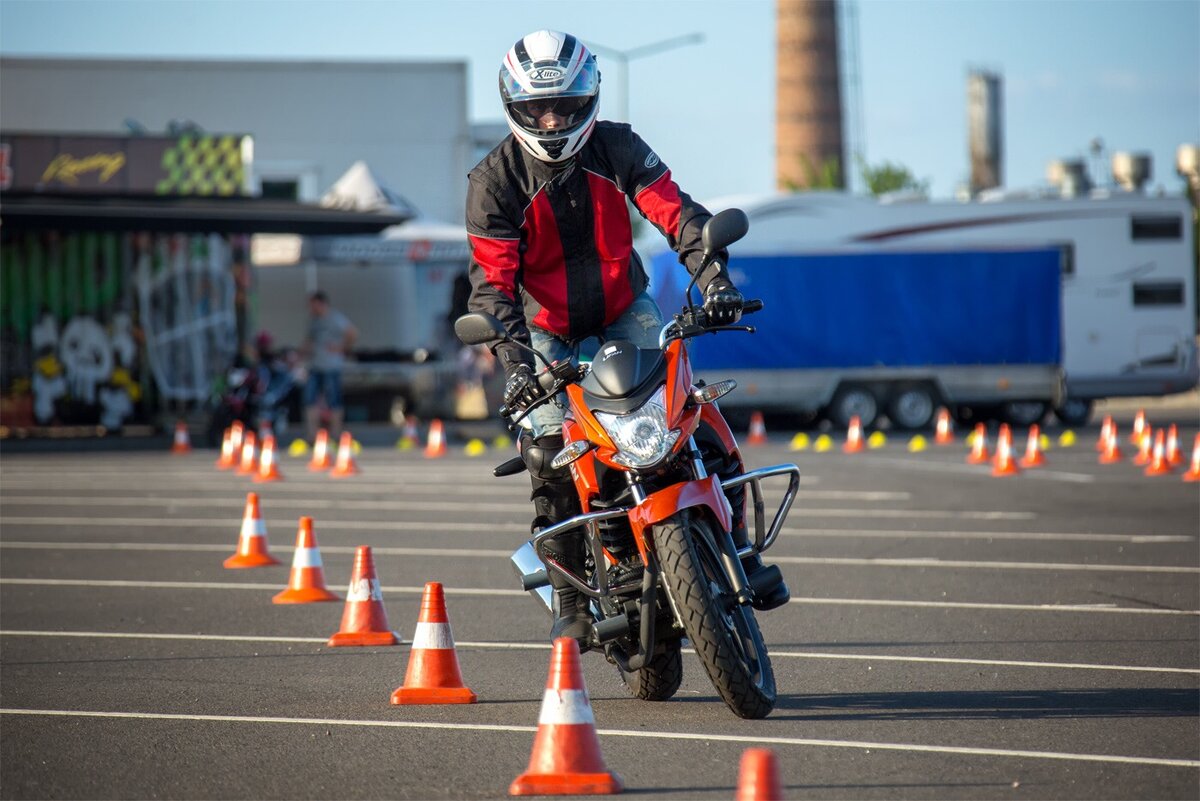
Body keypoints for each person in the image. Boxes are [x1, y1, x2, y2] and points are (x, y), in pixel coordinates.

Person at [466, 30, 789, 645]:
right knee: (545, 444)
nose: (553, 118)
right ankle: (570, 598)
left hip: (626, 308)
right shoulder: (494, 182)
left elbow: (678, 214)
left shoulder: (617, 146)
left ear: (589, 95)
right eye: (538, 108)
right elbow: (492, 287)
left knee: (687, 408)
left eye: (565, 102)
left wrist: (715, 281)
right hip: (544, 328)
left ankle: (740, 550)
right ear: (515, 106)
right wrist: (516, 365)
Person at [300, 290, 357, 441]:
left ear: (321, 303)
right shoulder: (314, 321)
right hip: (315, 365)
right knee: (310, 399)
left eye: (313, 305)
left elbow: (352, 333)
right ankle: (313, 435)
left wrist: (341, 348)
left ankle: (336, 434)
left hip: (331, 366)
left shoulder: (335, 318)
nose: (311, 308)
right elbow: (309, 341)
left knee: (334, 400)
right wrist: (300, 355)